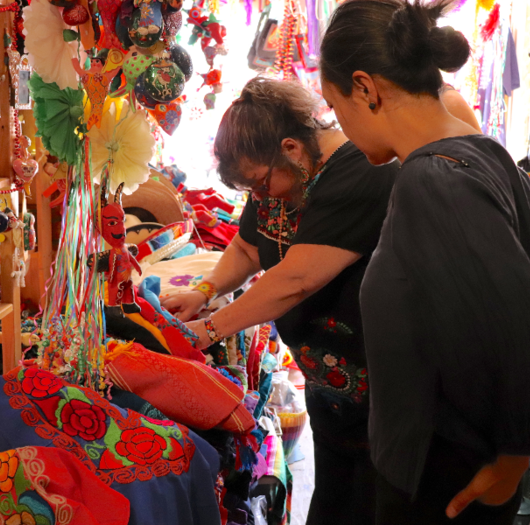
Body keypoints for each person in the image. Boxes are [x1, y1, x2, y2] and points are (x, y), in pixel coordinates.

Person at [319, 1, 530, 524]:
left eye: (334, 104)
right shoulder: (483, 153)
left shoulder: (431, 181)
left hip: (437, 470)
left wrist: (513, 452)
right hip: (461, 452)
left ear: (364, 88)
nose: (339, 123)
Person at [161, 77, 399, 524]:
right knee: (333, 505)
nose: (260, 196)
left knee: (372, 507)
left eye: (260, 183)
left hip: (384, 394)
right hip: (330, 393)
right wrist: (206, 291)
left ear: (291, 147)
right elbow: (249, 247)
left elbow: (297, 278)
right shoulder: (278, 177)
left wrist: (209, 329)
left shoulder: (363, 170)